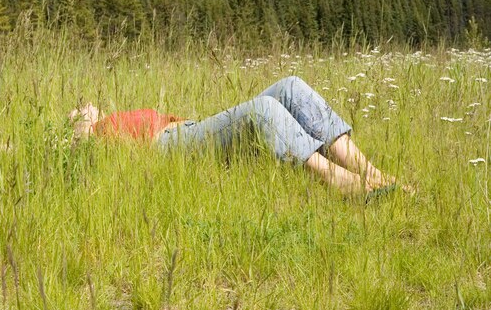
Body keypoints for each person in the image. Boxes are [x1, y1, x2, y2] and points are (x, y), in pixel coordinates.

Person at [70, 76, 411, 197]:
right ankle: (339, 180)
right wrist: (80, 130)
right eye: (78, 112)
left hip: (192, 133)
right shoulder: (98, 138)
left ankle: (374, 174)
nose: (85, 107)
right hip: (170, 149)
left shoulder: (112, 117)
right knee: (261, 109)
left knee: (290, 87)